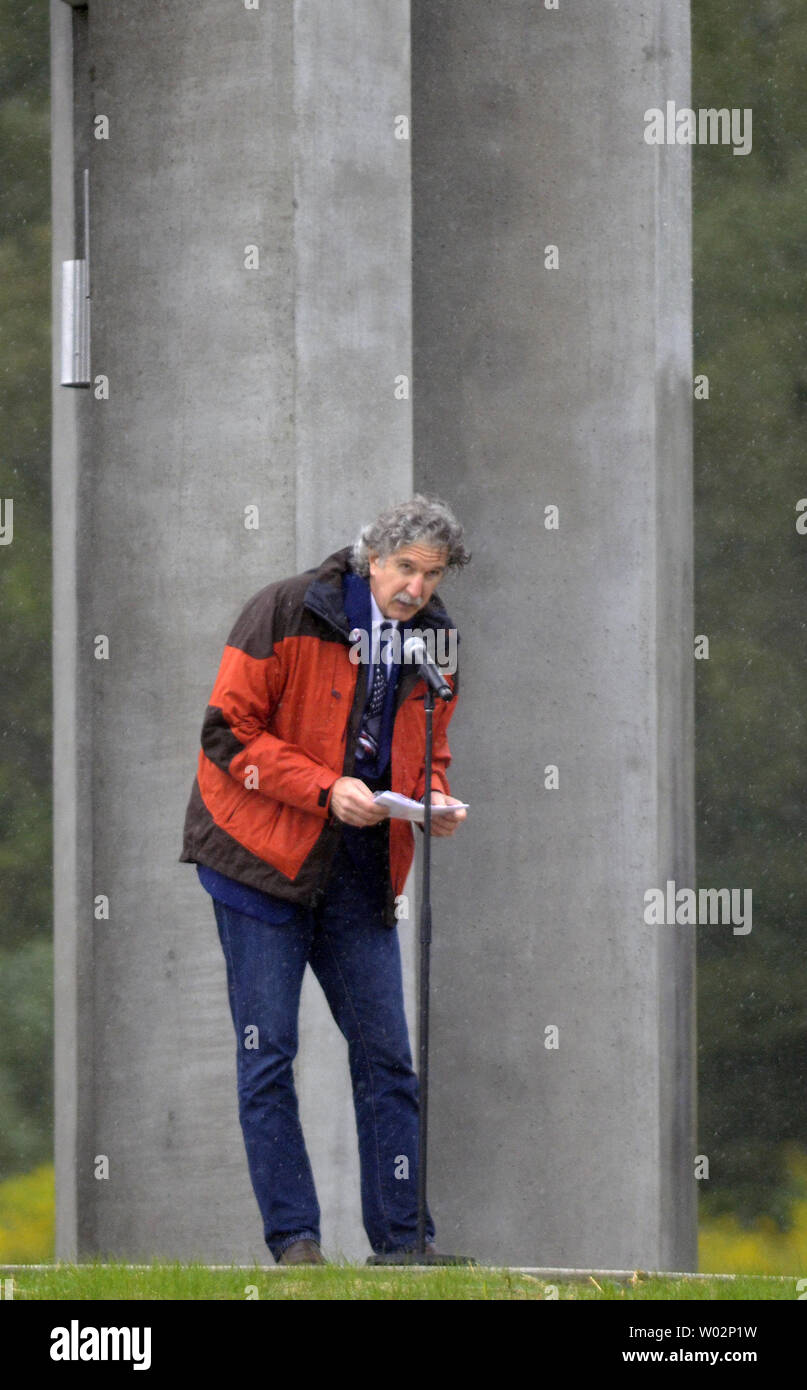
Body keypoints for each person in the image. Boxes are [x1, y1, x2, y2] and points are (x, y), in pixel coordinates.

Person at [178, 494, 471, 1264]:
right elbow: (226, 732)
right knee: (267, 1054)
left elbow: (425, 746)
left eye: (431, 575)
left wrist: (429, 797)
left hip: (360, 871)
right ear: (372, 557)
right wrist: (320, 787)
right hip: (258, 861)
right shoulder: (283, 609)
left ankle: (404, 1245)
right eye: (405, 568)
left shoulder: (435, 641)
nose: (415, 587)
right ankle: (296, 1246)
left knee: (387, 1059)